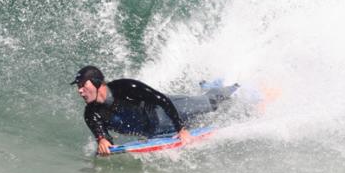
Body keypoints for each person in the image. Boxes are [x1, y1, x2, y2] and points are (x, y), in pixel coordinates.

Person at [71, 65, 238, 155]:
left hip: (164, 111)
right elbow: (103, 136)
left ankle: (235, 86)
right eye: (78, 86)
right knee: (198, 121)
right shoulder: (91, 114)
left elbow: (161, 100)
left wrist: (181, 129)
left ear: (97, 83)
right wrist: (103, 142)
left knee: (210, 104)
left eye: (83, 85)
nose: (79, 90)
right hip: (155, 132)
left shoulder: (127, 87)